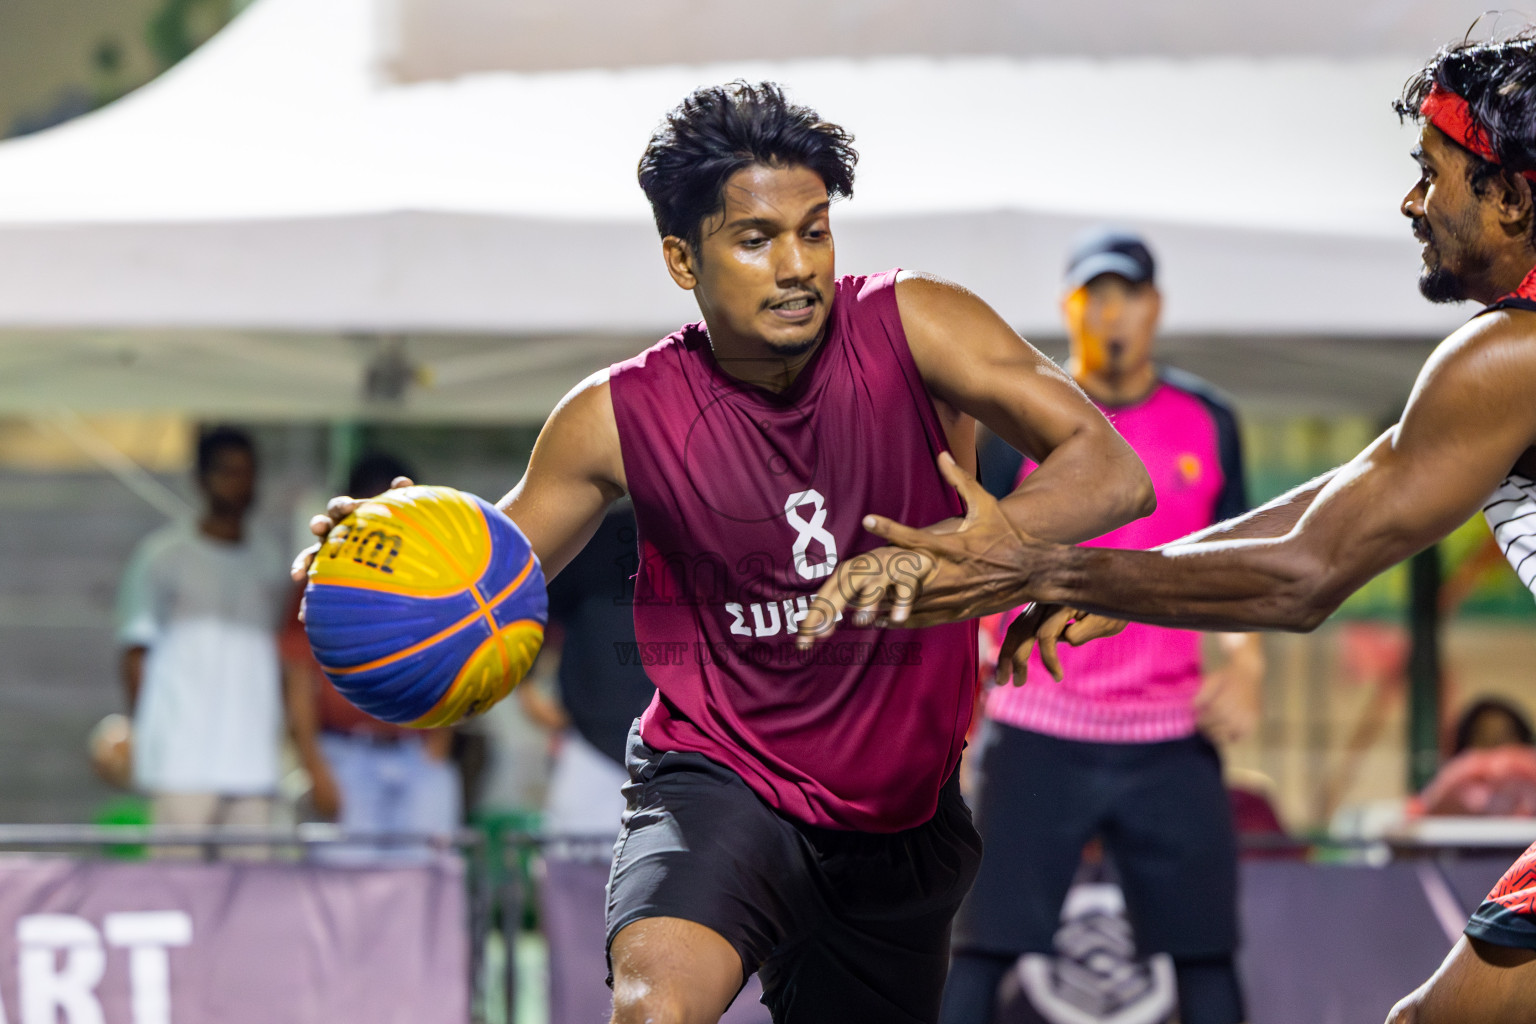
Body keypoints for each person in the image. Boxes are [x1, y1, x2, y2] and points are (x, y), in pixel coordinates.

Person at [297, 81, 1153, 1024]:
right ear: (681, 258)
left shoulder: (920, 325)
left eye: (816, 230)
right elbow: (488, 570)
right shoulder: (614, 417)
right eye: (756, 239)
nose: (797, 267)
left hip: (900, 817)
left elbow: (1110, 466)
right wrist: (390, 556)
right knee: (656, 1009)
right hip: (720, 782)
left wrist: (986, 544)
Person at [797, 33, 1536, 1024]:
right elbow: (1331, 502)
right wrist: (1113, 577)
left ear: (1514, 197)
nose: (1412, 204)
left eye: (1431, 174)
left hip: (1163, 739)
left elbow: (1307, 574)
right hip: (1046, 735)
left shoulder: (1506, 355)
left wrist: (1059, 572)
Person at [941, 230, 1263, 1024]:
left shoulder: (1209, 420)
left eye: (1128, 295)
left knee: (1206, 954)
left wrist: (1246, 667)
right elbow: (975, 563)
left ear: (1154, 309)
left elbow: (1239, 560)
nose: (1112, 313)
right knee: (977, 948)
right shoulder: (1022, 417)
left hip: (1170, 731)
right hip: (1037, 724)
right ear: (1069, 309)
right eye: (1096, 296)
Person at [117, 425, 314, 852]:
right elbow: (135, 651)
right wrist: (147, 736)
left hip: (254, 764)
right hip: (180, 762)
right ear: (201, 479)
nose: (238, 482)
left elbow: (285, 661)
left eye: (247, 472)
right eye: (227, 471)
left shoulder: (271, 560)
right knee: (176, 897)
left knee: (248, 900)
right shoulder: (163, 556)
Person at [280, 451, 461, 861]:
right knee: (345, 898)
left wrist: (441, 741)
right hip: (343, 753)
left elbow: (461, 660)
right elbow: (297, 680)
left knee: (426, 888)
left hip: (417, 752)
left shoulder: (441, 574)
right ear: (349, 507)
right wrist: (313, 764)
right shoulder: (320, 576)